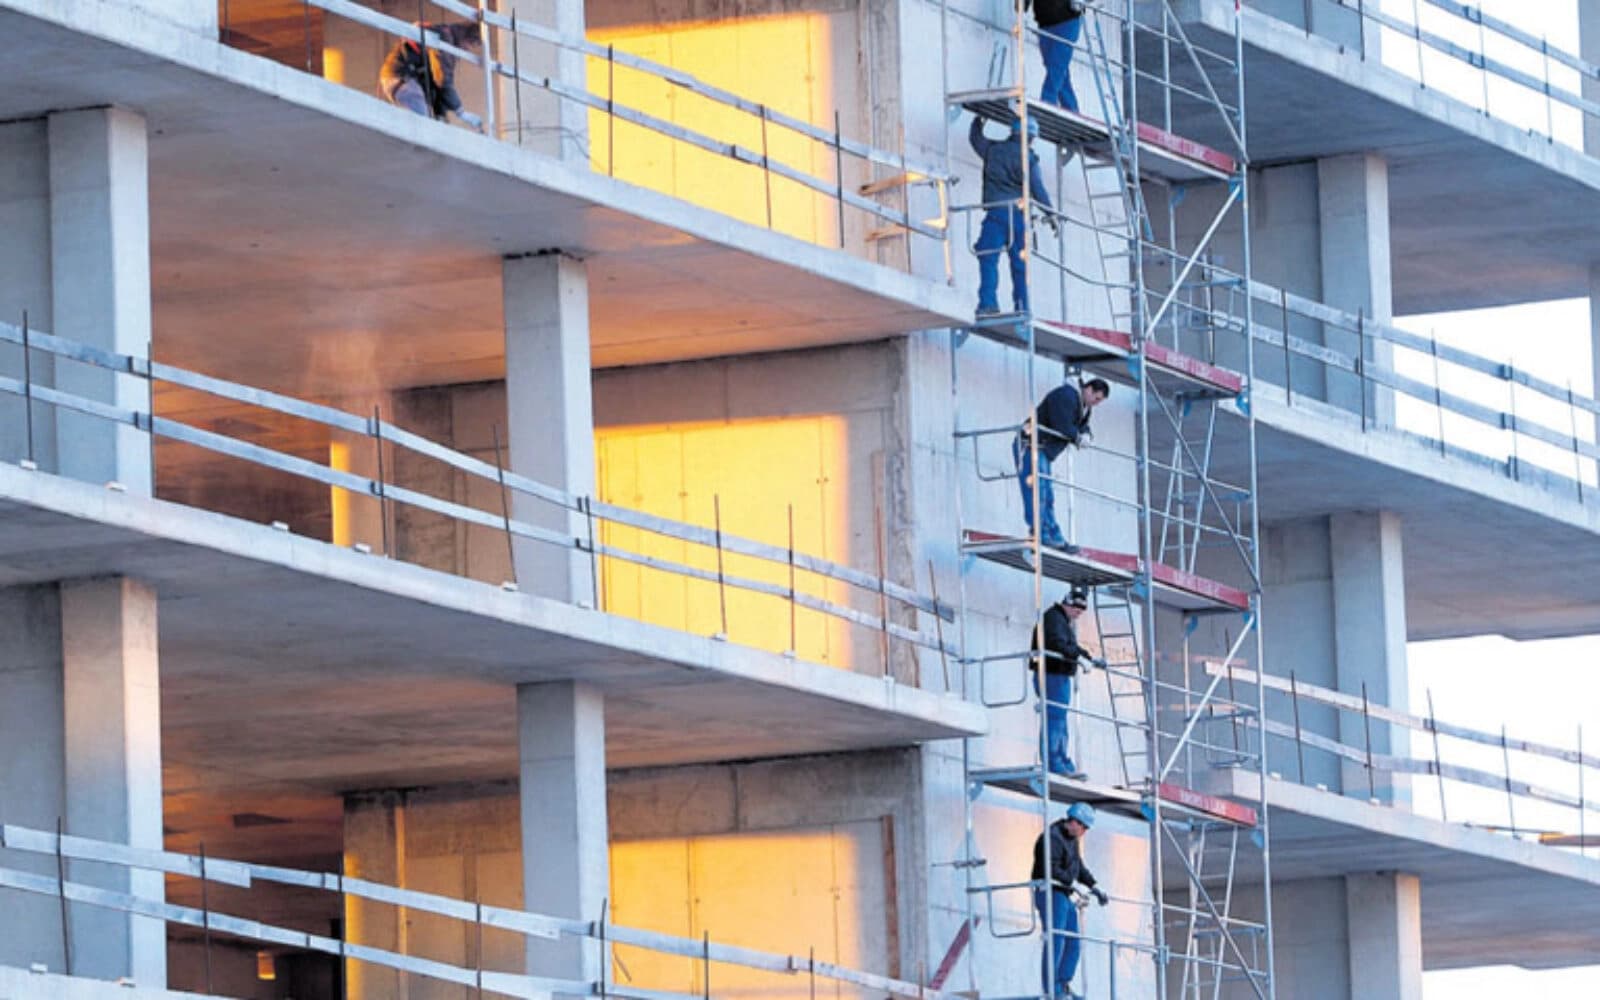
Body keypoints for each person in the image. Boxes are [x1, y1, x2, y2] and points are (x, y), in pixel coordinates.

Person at [970, 115, 1055, 317]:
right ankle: (1022, 307)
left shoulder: (993, 150)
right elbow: (1038, 190)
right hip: (1018, 216)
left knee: (988, 257)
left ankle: (988, 303)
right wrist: (1051, 214)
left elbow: (976, 140)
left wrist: (978, 120)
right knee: (1020, 265)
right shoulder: (1029, 159)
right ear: (1031, 137)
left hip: (996, 213)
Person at [1014, 378, 1110, 550]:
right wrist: (1078, 437)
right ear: (1088, 389)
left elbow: (1081, 425)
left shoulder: (1083, 407)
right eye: (1096, 398)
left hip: (1041, 448)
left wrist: (1085, 434)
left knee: (1047, 495)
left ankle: (1052, 534)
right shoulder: (1066, 396)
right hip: (1030, 446)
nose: (1095, 404)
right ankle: (1040, 533)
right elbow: (1062, 424)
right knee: (1038, 492)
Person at [1032, 803, 1108, 1000]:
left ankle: (1063, 984)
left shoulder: (1072, 840)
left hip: (1064, 894)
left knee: (1074, 941)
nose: (1084, 832)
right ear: (1074, 822)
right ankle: (1051, 988)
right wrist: (1072, 882)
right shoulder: (1051, 838)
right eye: (1084, 827)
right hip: (1049, 892)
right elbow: (1050, 868)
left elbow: (1078, 866)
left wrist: (1094, 886)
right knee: (1056, 939)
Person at [380, 23, 485, 131]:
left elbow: (438, 87)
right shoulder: (445, 38)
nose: (467, 50)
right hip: (401, 79)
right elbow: (442, 79)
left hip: (403, 80)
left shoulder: (447, 40)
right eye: (471, 46)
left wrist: (441, 117)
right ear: (467, 39)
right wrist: (460, 112)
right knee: (422, 126)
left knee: (427, 125)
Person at [1034, 587, 1093, 779]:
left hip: (1058, 674)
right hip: (1052, 674)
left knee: (1059, 718)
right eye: (1076, 610)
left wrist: (1086, 656)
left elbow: (1069, 645)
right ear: (1068, 604)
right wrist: (1078, 656)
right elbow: (1057, 643)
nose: (1077, 615)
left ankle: (1061, 759)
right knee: (1055, 718)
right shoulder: (1053, 619)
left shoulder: (1061, 621)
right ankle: (1054, 761)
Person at [1028, 0, 1085, 112]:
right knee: (1055, 69)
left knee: (1056, 66)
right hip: (1045, 22)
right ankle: (1072, 110)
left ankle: (1047, 103)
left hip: (1068, 19)